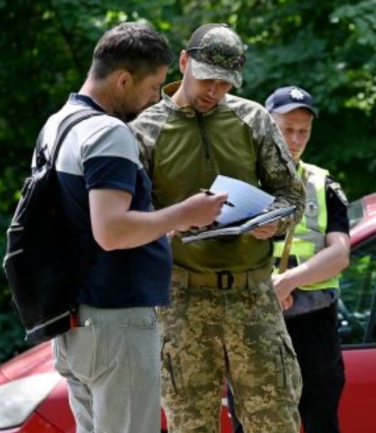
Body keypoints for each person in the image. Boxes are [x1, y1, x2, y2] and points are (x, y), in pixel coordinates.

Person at [48, 23, 229, 433]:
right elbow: (110, 232)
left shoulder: (59, 124)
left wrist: (155, 229)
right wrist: (186, 213)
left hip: (78, 322)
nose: (155, 98)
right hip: (117, 323)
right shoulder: (109, 132)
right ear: (123, 79)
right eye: (153, 87)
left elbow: (82, 221)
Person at [128, 24, 305, 433]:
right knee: (190, 425)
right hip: (182, 300)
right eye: (207, 79)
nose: (214, 91)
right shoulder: (144, 130)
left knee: (276, 422)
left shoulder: (253, 119)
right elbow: (130, 217)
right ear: (185, 62)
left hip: (253, 296)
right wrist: (173, 222)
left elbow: (292, 197)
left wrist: (276, 221)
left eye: (225, 84)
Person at [226, 86, 350, 433]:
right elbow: (216, 250)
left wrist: (289, 281)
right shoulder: (239, 182)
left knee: (319, 420)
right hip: (252, 321)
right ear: (267, 126)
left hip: (313, 324)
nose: (295, 139)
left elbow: (340, 254)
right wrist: (268, 288)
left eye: (303, 131)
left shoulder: (322, 183)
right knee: (250, 422)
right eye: (287, 129)